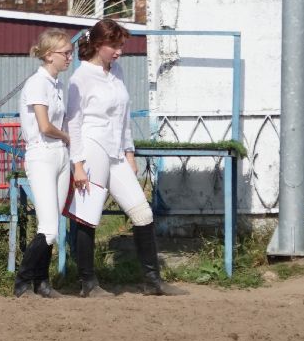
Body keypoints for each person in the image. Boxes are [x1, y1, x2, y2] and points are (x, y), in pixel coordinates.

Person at [63, 17, 181, 297]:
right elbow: (74, 123)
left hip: (116, 151)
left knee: (142, 212)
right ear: (98, 44)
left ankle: (152, 281)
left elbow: (124, 116)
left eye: (121, 46)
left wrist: (129, 151)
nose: (119, 51)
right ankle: (87, 283)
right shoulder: (80, 78)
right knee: (87, 216)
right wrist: (77, 163)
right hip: (92, 148)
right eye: (114, 46)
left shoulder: (118, 72)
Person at [12, 28, 73, 298]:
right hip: (42, 153)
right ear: (49, 55)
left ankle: (41, 282)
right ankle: (23, 280)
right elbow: (46, 126)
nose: (70, 57)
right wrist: (69, 136)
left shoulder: (57, 85)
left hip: (59, 154)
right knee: (48, 226)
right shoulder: (37, 84)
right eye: (65, 53)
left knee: (52, 224)